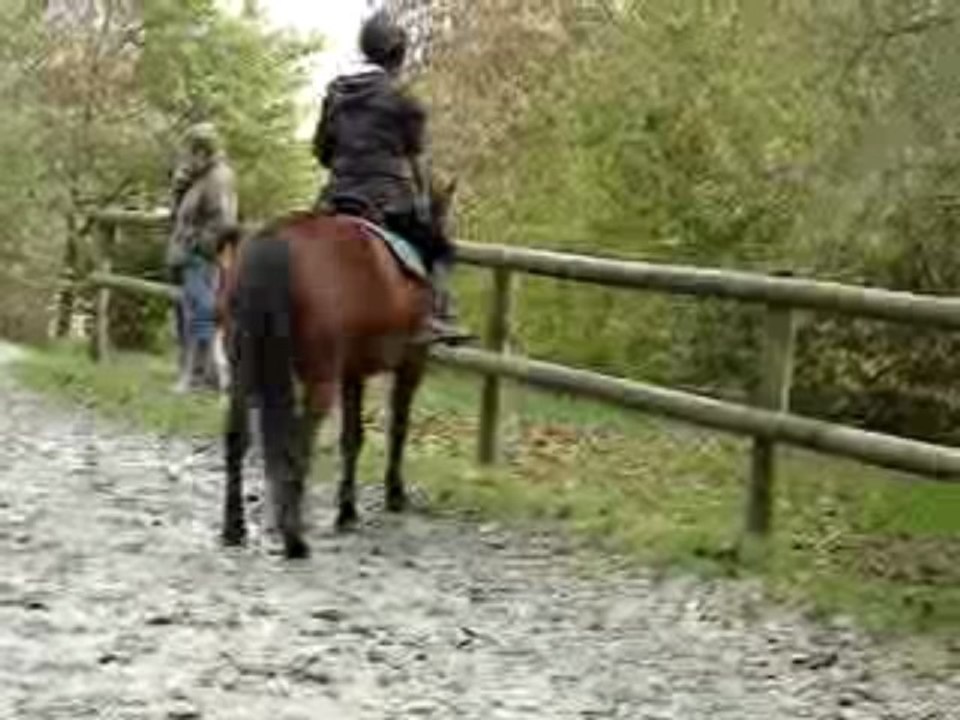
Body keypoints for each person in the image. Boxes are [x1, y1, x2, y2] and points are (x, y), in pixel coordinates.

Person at [311, 10, 472, 344]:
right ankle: (435, 315)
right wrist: (424, 204)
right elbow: (414, 159)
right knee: (436, 245)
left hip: (335, 195)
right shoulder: (403, 101)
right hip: (384, 200)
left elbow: (321, 152)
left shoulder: (335, 93)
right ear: (398, 54)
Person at [165, 122, 238, 393]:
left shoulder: (218, 178)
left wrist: (196, 245)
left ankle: (201, 376)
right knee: (190, 313)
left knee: (201, 314)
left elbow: (222, 222)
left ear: (202, 151)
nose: (186, 158)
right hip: (190, 255)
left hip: (202, 257)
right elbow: (180, 214)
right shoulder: (198, 177)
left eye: (190, 152)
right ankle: (204, 375)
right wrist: (179, 187)